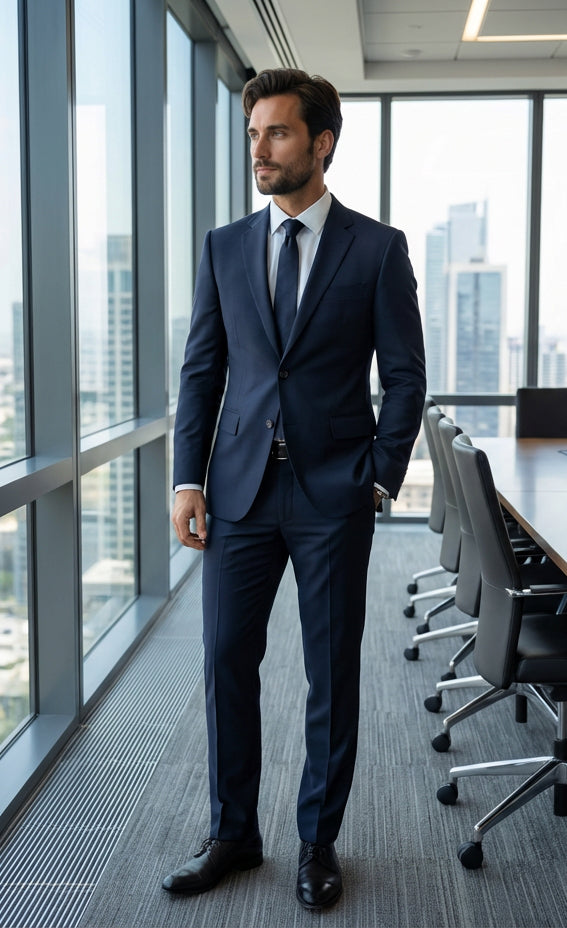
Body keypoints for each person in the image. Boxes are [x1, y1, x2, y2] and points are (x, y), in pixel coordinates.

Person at [163, 68, 426, 910]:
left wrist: (377, 476)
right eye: (253, 135)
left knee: (330, 672)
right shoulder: (224, 246)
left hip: (331, 494)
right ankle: (232, 834)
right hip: (237, 492)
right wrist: (186, 479)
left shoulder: (375, 249)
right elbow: (202, 371)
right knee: (225, 662)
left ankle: (318, 841)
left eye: (276, 133)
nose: (260, 150)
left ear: (321, 143)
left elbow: (405, 377)